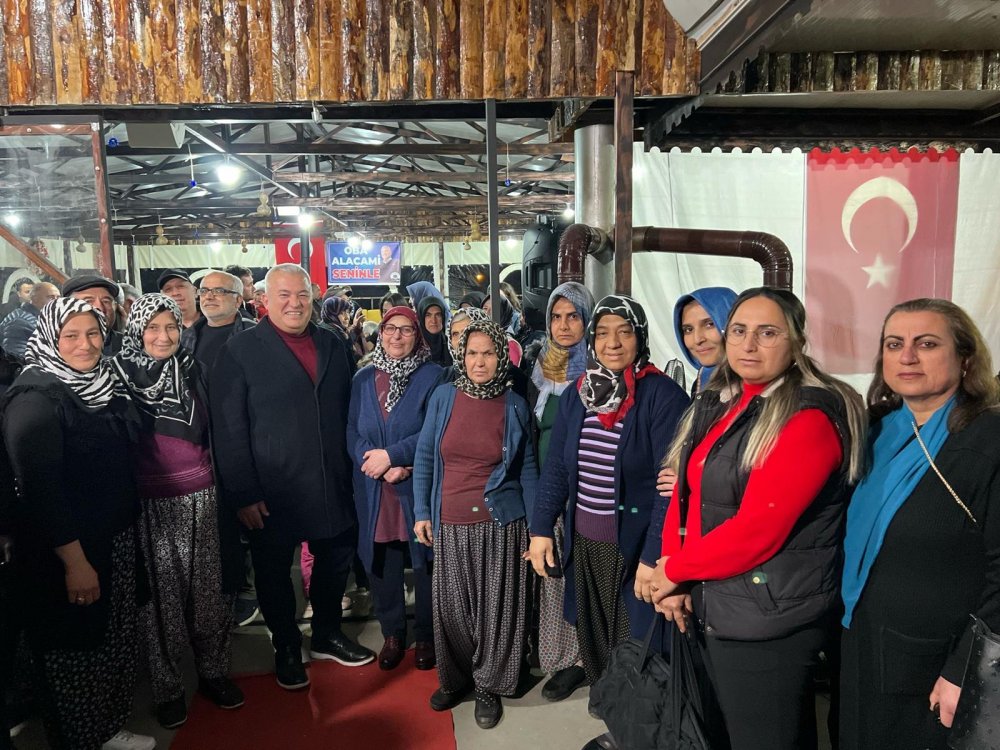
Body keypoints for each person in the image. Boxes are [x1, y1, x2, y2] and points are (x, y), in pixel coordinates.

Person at [649, 287, 866, 750]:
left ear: (796, 341)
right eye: (739, 331)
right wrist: (676, 574)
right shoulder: (725, 401)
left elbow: (758, 530)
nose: (748, 345)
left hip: (768, 618)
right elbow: (686, 496)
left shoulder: (807, 417)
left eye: (767, 333)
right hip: (721, 602)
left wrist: (674, 570)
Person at [528, 295, 689, 750]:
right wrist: (541, 529)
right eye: (602, 333)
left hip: (634, 550)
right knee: (598, 642)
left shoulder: (661, 397)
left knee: (641, 650)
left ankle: (645, 736)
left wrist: (652, 556)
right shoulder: (580, 392)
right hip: (587, 546)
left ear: (640, 337)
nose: (612, 342)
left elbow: (669, 487)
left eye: (624, 332)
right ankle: (620, 725)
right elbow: (558, 467)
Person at [839, 298, 1000, 750]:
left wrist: (965, 669)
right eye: (894, 344)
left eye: (927, 344)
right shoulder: (876, 431)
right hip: (864, 645)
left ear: (965, 359)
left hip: (938, 668)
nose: (907, 356)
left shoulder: (987, 440)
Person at [210, 264, 373, 691]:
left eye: (301, 294)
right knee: (273, 571)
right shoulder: (240, 350)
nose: (294, 303)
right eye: (283, 295)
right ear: (265, 300)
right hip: (272, 488)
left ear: (313, 297)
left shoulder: (332, 342)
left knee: (335, 560)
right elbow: (228, 428)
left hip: (331, 480)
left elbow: (351, 409)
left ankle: (326, 634)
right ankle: (284, 644)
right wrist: (243, 493)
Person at [2, 298, 155, 750]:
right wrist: (75, 563)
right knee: (76, 651)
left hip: (112, 537)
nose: (85, 345)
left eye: (92, 333)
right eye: (71, 335)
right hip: (71, 551)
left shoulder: (100, 382)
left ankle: (105, 729)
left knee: (110, 639)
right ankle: (82, 738)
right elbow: (41, 492)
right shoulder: (35, 399)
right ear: (50, 338)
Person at [110, 294, 244, 729]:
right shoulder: (117, 377)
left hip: (203, 499)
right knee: (160, 605)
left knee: (209, 595)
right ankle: (168, 689)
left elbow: (215, 431)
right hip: (149, 506)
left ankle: (213, 672)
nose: (164, 336)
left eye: (171, 327)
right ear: (137, 330)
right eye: (153, 328)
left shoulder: (193, 369)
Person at [413, 318, 537, 730]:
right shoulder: (443, 397)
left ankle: (488, 685)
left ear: (502, 356)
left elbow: (528, 469)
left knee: (494, 612)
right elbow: (425, 456)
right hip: (448, 521)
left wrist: (536, 530)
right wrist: (422, 511)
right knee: (452, 611)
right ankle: (458, 678)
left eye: (488, 353)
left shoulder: (514, 404)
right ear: (460, 356)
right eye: (471, 353)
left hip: (499, 524)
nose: (479, 362)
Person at [347, 306, 442, 672]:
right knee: (383, 560)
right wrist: (373, 462)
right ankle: (392, 633)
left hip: (414, 484)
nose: (397, 336)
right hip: (375, 486)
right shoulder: (363, 378)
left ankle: (427, 635)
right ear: (381, 334)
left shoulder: (434, 376)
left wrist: (394, 457)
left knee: (425, 562)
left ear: (417, 336)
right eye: (390, 329)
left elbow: (435, 429)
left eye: (406, 329)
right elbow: (351, 430)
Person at [528, 282, 595, 703]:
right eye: (557, 316)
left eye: (573, 316)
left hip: (586, 492)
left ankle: (589, 657)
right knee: (553, 578)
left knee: (585, 576)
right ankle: (564, 656)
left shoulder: (600, 373)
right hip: (546, 489)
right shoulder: (538, 369)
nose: (564, 325)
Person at [181, 270, 255, 374]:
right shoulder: (185, 338)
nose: (209, 297)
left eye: (219, 291)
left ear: (238, 300)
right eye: (203, 291)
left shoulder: (255, 335)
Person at [674, 287, 738, 396]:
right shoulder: (701, 382)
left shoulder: (755, 390)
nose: (697, 340)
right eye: (688, 330)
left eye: (709, 324)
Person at [62, 275, 124, 355]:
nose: (100, 307)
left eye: (106, 301)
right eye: (88, 301)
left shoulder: (132, 347)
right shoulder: (55, 348)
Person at [0, 282, 59, 359]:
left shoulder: (45, 318)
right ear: (35, 299)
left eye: (58, 298)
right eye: (50, 297)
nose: (56, 302)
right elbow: (17, 361)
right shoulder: (20, 323)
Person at [417, 296, 451, 368]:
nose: (433, 320)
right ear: (421, 318)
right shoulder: (414, 348)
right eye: (428, 315)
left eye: (438, 315)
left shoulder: (450, 344)